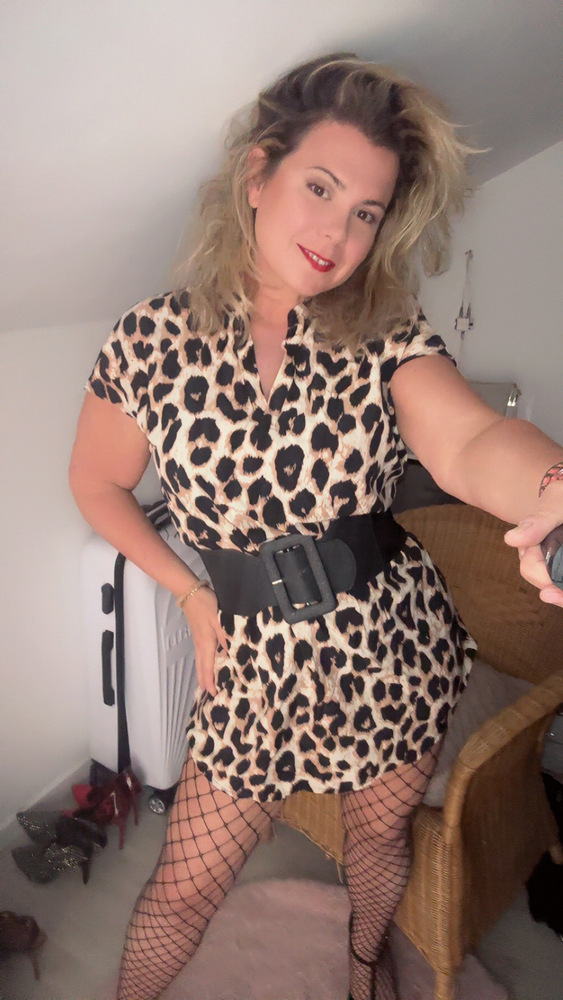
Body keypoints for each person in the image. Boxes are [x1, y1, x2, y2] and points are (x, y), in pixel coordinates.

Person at [69, 53, 563, 1000]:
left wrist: (551, 482)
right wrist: (186, 592)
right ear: (258, 174)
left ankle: (361, 965)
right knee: (181, 892)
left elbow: (468, 440)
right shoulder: (149, 339)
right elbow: (96, 483)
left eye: (366, 212)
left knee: (376, 841)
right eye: (321, 188)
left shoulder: (383, 331)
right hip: (249, 660)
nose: (338, 232)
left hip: (387, 641)